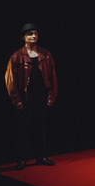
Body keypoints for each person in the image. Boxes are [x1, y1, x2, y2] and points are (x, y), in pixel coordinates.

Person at [5, 23, 57, 169]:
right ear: (23, 37)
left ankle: (41, 156)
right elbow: (10, 80)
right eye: (30, 33)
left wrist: (51, 95)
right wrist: (16, 100)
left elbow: (52, 76)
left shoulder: (45, 54)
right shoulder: (17, 56)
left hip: (40, 96)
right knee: (23, 128)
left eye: (35, 33)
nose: (34, 36)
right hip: (25, 97)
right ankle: (22, 159)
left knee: (41, 127)